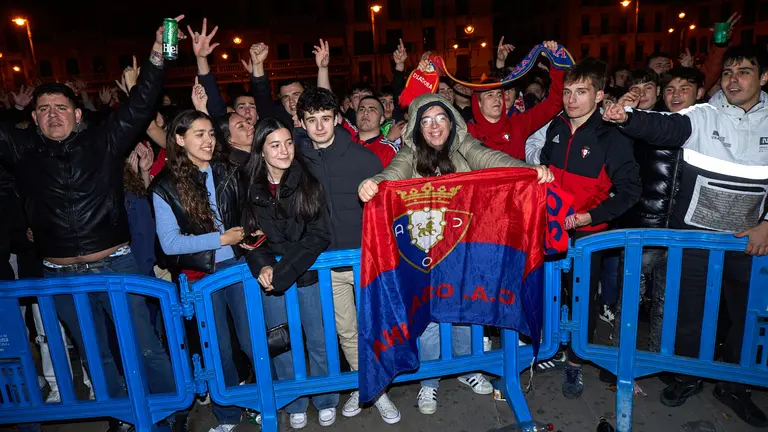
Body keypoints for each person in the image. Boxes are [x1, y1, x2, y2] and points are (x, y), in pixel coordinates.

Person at [0, 17, 184, 432]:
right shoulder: (22, 149)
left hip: (115, 266)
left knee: (146, 347)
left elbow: (141, 102)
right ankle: (122, 415)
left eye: (61, 108)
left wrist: (158, 54)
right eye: (43, 110)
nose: (52, 116)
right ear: (32, 118)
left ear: (78, 114)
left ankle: (174, 412)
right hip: (60, 275)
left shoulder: (104, 140)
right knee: (94, 353)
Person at [603, 44, 768, 427]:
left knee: (745, 315)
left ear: (763, 77)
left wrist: (767, 225)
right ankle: (687, 375)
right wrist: (625, 116)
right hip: (694, 237)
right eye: (727, 72)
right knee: (688, 312)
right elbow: (664, 126)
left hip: (749, 240)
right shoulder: (704, 114)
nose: (733, 79)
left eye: (744, 71)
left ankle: (736, 385)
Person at [358, 92, 554, 415]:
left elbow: (493, 160)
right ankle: (429, 382)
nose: (434, 127)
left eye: (440, 118)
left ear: (451, 122)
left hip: (462, 247)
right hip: (424, 249)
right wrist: (376, 183)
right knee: (430, 319)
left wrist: (529, 172)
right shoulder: (410, 153)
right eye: (426, 120)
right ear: (417, 127)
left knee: (465, 308)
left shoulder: (465, 146)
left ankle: (468, 368)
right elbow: (393, 173)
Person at [292, 87, 400, 423]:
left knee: (374, 325)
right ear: (302, 123)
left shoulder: (363, 158)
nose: (320, 126)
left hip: (364, 258)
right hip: (326, 264)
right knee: (346, 331)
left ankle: (377, 385)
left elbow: (386, 210)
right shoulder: (298, 160)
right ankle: (369, 386)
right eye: (312, 120)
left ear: (339, 117)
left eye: (326, 118)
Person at [538, 57, 641, 400]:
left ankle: (577, 362)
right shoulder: (556, 127)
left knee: (584, 301)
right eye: (567, 91)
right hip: (552, 230)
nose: (571, 99)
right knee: (552, 292)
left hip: (588, 237)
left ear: (599, 96)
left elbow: (631, 190)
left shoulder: (612, 137)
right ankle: (550, 346)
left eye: (581, 92)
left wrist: (591, 217)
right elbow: (546, 166)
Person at [151, 109, 254, 432]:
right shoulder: (164, 185)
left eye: (211, 133)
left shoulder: (227, 170)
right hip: (201, 274)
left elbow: (249, 210)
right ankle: (227, 415)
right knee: (217, 347)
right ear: (179, 140)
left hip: (239, 265)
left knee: (253, 340)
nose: (208, 140)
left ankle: (261, 399)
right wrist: (220, 238)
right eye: (199, 134)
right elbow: (169, 244)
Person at [241, 117, 339, 429]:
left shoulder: (309, 181)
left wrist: (280, 271)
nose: (284, 150)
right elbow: (249, 236)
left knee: (318, 338)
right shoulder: (250, 187)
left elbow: (319, 234)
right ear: (261, 150)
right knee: (281, 343)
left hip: (306, 274)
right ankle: (293, 401)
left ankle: (325, 398)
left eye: (287, 143)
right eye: (275, 144)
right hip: (271, 279)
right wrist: (263, 266)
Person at [466, 41, 565, 161]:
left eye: (499, 94)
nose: (497, 98)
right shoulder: (468, 133)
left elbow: (555, 103)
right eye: (489, 95)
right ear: (479, 103)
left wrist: (557, 66)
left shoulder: (518, 125)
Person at [190, 19, 258, 123]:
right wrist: (201, 58)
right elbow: (213, 96)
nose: (247, 111)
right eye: (241, 107)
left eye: (252, 107)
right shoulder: (224, 136)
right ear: (232, 113)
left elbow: (263, 93)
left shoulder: (268, 136)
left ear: (258, 115)